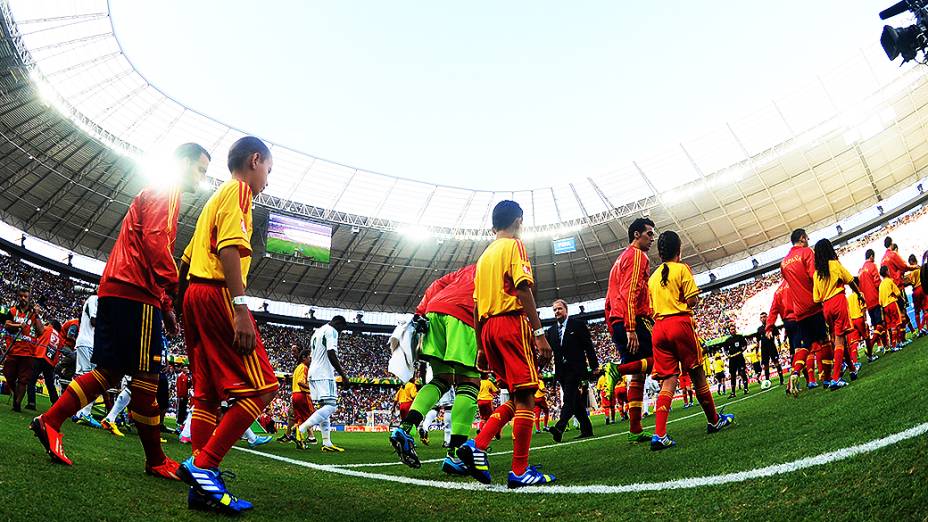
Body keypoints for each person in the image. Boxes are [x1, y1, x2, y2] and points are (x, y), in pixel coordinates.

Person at [31, 143, 210, 482]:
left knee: (110, 373)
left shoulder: (157, 191)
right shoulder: (167, 190)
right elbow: (156, 244)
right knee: (146, 379)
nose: (202, 178)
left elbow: (148, 245)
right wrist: (175, 290)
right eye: (200, 169)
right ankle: (155, 460)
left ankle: (50, 421)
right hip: (136, 293)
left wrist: (166, 306)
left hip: (118, 288)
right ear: (183, 163)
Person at [173, 137, 278, 514]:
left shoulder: (211, 201)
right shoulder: (238, 191)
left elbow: (185, 261)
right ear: (255, 160)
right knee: (263, 388)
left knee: (207, 395)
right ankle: (204, 466)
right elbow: (229, 249)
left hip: (193, 295)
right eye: (268, 168)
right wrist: (240, 307)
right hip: (217, 291)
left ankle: (201, 490)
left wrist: (179, 307)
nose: (268, 178)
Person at [455, 200, 555, 489]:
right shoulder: (514, 246)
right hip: (511, 323)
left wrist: (481, 347)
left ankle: (478, 444)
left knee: (515, 396)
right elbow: (522, 288)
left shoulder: (484, 258)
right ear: (519, 221)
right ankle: (520, 470)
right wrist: (539, 333)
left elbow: (475, 308)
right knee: (526, 396)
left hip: (487, 329)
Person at [389, 263, 482, 475]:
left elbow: (437, 283)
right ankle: (455, 454)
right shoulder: (500, 268)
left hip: (434, 313)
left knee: (442, 378)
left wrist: (420, 311)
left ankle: (405, 429)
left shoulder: (465, 270)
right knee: (469, 382)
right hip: (464, 315)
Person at [647, 230, 734, 450]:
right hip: (680, 325)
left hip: (658, 329)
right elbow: (692, 300)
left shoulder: (653, 277)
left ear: (659, 252)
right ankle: (714, 421)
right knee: (697, 373)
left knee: (668, 380)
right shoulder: (681, 268)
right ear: (679, 249)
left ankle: (659, 434)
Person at [604, 217, 657, 444]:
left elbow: (609, 299)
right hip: (632, 320)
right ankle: (617, 369)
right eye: (649, 234)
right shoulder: (637, 256)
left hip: (618, 319)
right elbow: (630, 292)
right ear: (636, 235)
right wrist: (631, 328)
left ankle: (635, 429)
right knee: (659, 360)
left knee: (639, 374)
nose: (652, 238)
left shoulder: (619, 260)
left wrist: (614, 325)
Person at [781, 228, 835, 397]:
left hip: (799, 311)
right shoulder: (806, 252)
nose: (809, 239)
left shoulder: (783, 263)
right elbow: (814, 276)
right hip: (813, 304)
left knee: (806, 345)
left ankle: (795, 373)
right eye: (807, 237)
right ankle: (827, 379)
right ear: (802, 238)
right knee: (824, 341)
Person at [812, 238, 864, 388]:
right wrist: (859, 294)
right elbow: (850, 280)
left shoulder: (817, 274)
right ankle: (835, 378)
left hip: (826, 307)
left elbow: (816, 298)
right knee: (840, 339)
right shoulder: (835, 265)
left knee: (838, 338)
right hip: (838, 301)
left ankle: (852, 369)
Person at [547, 299, 598, 441]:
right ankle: (587, 429)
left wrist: (594, 366)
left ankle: (560, 427)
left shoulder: (578, 325)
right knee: (576, 403)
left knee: (569, 399)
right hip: (561, 372)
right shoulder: (550, 332)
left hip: (576, 369)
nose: (557, 312)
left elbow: (588, 346)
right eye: (554, 310)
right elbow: (551, 354)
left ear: (566, 310)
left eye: (559, 309)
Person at [297, 315, 349, 452]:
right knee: (331, 406)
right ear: (338, 324)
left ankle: (327, 442)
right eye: (342, 329)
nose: (341, 332)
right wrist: (343, 375)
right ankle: (301, 430)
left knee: (324, 408)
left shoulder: (317, 331)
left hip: (313, 373)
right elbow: (331, 353)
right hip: (324, 374)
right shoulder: (331, 331)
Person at [3, 288, 46, 412]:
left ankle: (17, 403)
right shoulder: (12, 311)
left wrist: (37, 315)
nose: (23, 298)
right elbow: (6, 325)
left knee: (23, 380)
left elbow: (41, 331)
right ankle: (16, 395)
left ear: (29, 298)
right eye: (21, 296)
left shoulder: (33, 314)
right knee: (8, 375)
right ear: (18, 297)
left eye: (25, 296)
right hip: (13, 350)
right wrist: (18, 326)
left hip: (28, 352)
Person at [70, 294, 100, 426]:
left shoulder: (101, 302)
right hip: (87, 344)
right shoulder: (94, 299)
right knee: (90, 379)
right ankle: (83, 413)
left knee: (88, 379)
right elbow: (94, 321)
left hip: (92, 345)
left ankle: (79, 412)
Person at [25, 319, 63, 410]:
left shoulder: (46, 328)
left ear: (51, 324)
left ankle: (31, 403)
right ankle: (56, 404)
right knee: (50, 383)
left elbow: (37, 332)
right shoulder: (61, 339)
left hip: (40, 356)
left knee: (31, 380)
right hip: (50, 362)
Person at [859, 249, 888, 353]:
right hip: (875, 299)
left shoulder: (861, 270)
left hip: (867, 301)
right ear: (871, 256)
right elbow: (877, 282)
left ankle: (884, 345)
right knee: (880, 323)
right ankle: (870, 346)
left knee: (877, 325)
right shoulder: (872, 265)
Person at [290, 350, 316, 445]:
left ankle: (301, 436)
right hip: (302, 395)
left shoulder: (297, 368)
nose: (310, 360)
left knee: (300, 418)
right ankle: (298, 432)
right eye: (309, 357)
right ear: (304, 358)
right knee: (309, 417)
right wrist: (312, 388)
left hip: (295, 395)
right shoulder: (304, 367)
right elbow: (301, 382)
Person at [879, 266, 905, 350]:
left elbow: (880, 301)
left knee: (892, 325)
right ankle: (896, 344)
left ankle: (896, 343)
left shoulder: (881, 285)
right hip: (892, 304)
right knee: (897, 323)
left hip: (885, 307)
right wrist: (903, 299)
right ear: (887, 272)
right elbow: (897, 293)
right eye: (888, 271)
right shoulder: (890, 281)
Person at [757, 312, 784, 385]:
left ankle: (781, 379)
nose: (763, 318)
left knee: (776, 363)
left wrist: (779, 346)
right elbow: (758, 341)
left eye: (764, 317)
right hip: (764, 349)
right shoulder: (759, 329)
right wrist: (757, 351)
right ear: (760, 319)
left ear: (767, 317)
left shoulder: (772, 326)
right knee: (765, 365)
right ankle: (767, 380)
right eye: (761, 317)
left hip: (772, 347)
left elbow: (777, 336)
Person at [723, 325, 749, 398]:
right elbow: (725, 350)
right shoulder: (727, 340)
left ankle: (746, 388)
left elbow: (745, 345)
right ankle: (733, 392)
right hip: (732, 360)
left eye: (734, 329)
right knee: (733, 375)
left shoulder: (740, 337)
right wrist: (727, 354)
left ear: (735, 329)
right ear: (729, 331)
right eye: (731, 330)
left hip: (740, 358)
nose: (733, 330)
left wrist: (741, 350)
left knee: (742, 373)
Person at [904, 254, 925, 333]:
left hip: (916, 290)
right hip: (923, 288)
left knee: (917, 311)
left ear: (912, 262)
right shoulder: (921, 268)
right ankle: (924, 326)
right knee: (925, 310)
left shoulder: (913, 272)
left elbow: (910, 282)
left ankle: (920, 329)